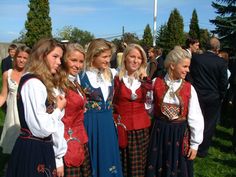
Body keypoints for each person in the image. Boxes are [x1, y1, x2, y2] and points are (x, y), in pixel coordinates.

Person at [6, 38, 67, 177]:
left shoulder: (41, 81)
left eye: (60, 58)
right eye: (55, 57)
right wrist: (58, 109)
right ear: (41, 55)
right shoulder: (34, 83)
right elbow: (41, 128)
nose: (59, 62)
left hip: (42, 147)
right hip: (33, 149)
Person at [146, 46, 204, 177]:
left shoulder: (189, 88)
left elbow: (196, 118)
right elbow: (148, 109)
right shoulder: (156, 83)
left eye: (188, 67)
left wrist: (194, 144)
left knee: (178, 167)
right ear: (172, 65)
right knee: (157, 165)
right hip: (159, 133)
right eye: (184, 66)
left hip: (179, 133)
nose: (187, 70)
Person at [79, 38, 123, 177]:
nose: (108, 60)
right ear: (93, 55)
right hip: (90, 123)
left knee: (109, 158)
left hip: (107, 123)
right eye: (104, 57)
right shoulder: (81, 76)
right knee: (93, 159)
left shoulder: (110, 73)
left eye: (109, 56)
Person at [113, 44, 151, 177]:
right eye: (132, 56)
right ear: (125, 58)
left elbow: (149, 106)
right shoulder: (115, 78)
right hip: (121, 129)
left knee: (139, 165)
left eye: (139, 58)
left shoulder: (145, 81)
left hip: (141, 130)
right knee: (122, 164)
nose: (136, 61)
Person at [190, 37, 228, 158]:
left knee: (195, 120)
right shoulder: (221, 62)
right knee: (209, 124)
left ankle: (193, 145)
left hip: (198, 95)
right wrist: (221, 95)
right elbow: (223, 82)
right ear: (217, 49)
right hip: (213, 97)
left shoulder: (196, 58)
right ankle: (202, 149)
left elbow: (191, 75)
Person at [61, 43, 92, 177]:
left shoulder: (75, 83)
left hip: (80, 136)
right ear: (64, 59)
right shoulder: (60, 83)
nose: (78, 65)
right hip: (67, 140)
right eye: (73, 60)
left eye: (80, 61)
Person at [0, 46, 31, 171]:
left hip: (26, 115)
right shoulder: (7, 74)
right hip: (12, 115)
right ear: (15, 57)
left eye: (25, 58)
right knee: (10, 144)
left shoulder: (31, 75)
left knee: (25, 144)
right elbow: (3, 95)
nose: (22, 60)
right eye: (19, 57)